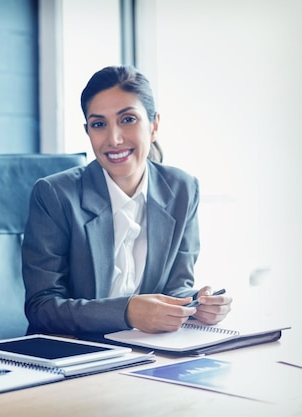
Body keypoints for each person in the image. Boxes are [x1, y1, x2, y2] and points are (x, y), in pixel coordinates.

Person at [22, 65, 232, 337]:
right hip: (73, 351)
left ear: (154, 125)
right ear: (88, 131)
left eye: (128, 119)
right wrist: (127, 311)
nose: (114, 138)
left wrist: (198, 302)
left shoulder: (183, 189)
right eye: (99, 124)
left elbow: (176, 286)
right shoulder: (54, 194)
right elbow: (42, 307)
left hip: (144, 348)